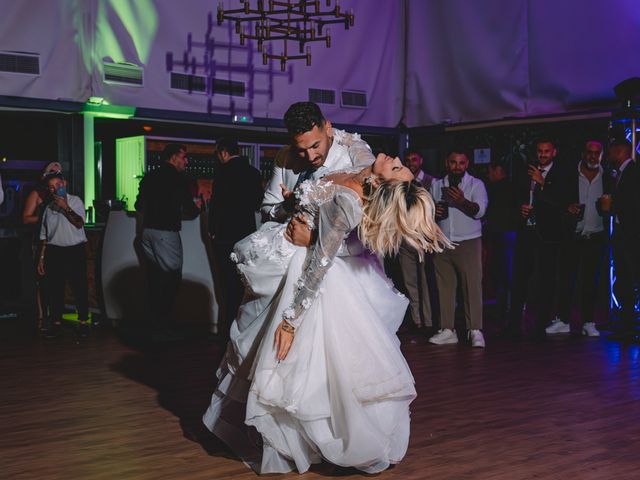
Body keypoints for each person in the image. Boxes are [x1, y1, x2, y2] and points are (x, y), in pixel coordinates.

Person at [203, 153, 452, 474]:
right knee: (273, 351)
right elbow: (299, 208)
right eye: (401, 165)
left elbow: (320, 261)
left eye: (397, 167)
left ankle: (311, 442)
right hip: (283, 260)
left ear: (381, 182)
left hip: (306, 276)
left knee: (306, 365)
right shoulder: (357, 170)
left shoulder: (350, 202)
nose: (398, 160)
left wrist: (291, 323)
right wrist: (290, 204)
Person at [261, 101, 374, 224]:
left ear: (328, 129)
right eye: (301, 150)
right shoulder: (285, 156)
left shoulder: (351, 162)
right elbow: (266, 212)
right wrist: (286, 207)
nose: (310, 157)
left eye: (315, 145)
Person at [135, 143, 200, 341]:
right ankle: (164, 326)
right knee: (171, 278)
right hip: (166, 232)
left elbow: (138, 205)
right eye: (184, 157)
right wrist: (197, 207)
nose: (186, 161)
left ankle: (153, 324)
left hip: (146, 232)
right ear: (173, 158)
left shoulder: (149, 177)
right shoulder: (178, 179)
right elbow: (189, 209)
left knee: (154, 278)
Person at [507, 138, 571, 339]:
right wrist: (521, 208)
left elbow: (562, 202)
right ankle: (514, 325)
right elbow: (517, 196)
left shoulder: (561, 174)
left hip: (548, 235)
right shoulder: (527, 171)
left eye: (546, 151)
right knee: (519, 279)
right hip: (526, 231)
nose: (542, 155)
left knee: (547, 281)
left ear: (554, 153)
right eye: (540, 151)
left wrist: (543, 184)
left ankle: (541, 324)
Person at [429, 150, 488, 348]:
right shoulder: (437, 185)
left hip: (469, 241)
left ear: (467, 164)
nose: (457, 167)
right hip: (443, 241)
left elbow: (480, 211)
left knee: (472, 286)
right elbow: (429, 214)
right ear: (447, 163)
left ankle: (475, 330)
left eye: (461, 163)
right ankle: (447, 330)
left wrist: (462, 201)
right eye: (453, 162)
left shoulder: (476, 184)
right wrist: (434, 212)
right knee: (444, 286)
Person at [553, 140, 611, 337]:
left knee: (590, 282)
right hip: (572, 234)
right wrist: (567, 207)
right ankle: (563, 320)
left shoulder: (608, 176)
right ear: (583, 153)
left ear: (601, 155)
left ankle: (588, 321)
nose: (592, 157)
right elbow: (558, 199)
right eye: (589, 152)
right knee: (566, 279)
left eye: (596, 153)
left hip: (595, 236)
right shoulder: (570, 174)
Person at [208, 137, 263, 337]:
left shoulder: (222, 173)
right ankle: (244, 328)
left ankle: (228, 327)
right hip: (246, 234)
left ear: (223, 152)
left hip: (224, 235)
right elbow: (258, 202)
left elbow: (215, 205)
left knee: (226, 283)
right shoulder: (253, 173)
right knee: (245, 283)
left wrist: (212, 229)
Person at [387, 150, 437, 334]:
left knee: (425, 281)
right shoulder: (399, 181)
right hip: (403, 237)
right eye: (408, 160)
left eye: (414, 159)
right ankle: (417, 321)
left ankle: (429, 321)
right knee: (410, 282)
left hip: (422, 237)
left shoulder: (433, 182)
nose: (411, 163)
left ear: (421, 160)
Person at [37, 173, 89, 338]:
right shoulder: (48, 208)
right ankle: (56, 324)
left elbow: (80, 223)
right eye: (52, 186)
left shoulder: (75, 201)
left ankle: (82, 323)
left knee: (79, 287)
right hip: (54, 251)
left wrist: (66, 207)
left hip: (75, 249)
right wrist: (42, 258)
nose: (55, 188)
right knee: (55, 289)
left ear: (64, 183)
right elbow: (45, 237)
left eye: (58, 184)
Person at [604, 138, 640, 339]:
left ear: (619, 152)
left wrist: (613, 206)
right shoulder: (622, 173)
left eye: (610, 152)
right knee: (624, 279)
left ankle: (630, 326)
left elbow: (633, 205)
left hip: (631, 235)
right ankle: (627, 326)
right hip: (623, 234)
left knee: (630, 278)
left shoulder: (633, 173)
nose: (609, 157)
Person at [23, 162, 63, 329]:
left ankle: (55, 315)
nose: (56, 175)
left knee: (56, 279)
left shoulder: (62, 196)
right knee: (42, 278)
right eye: (52, 172)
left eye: (59, 173)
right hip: (40, 241)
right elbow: (25, 218)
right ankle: (41, 316)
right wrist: (45, 217)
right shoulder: (36, 194)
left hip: (57, 241)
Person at [484, 160, 518, 330]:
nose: (488, 175)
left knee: (503, 274)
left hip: (503, 235)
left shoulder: (497, 189)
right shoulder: (513, 187)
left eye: (490, 171)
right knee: (506, 274)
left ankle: (505, 310)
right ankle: (507, 308)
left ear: (498, 170)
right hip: (509, 234)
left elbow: (493, 213)